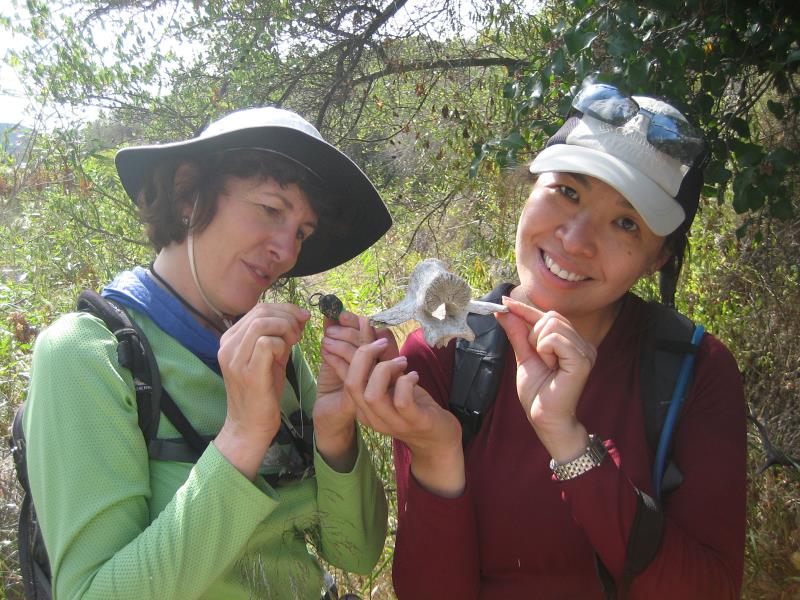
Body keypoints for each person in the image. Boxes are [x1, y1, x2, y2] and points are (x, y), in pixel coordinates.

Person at [332, 83, 746, 598]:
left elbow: (710, 588)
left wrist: (567, 440)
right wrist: (437, 451)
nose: (575, 240)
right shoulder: (441, 357)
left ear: (657, 258)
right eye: (568, 191)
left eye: (626, 223)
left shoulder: (694, 370)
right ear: (530, 188)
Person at [22, 106, 391, 599]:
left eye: (302, 233)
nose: (287, 252)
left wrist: (335, 432)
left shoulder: (277, 356)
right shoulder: (91, 355)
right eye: (271, 210)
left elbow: (358, 556)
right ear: (188, 193)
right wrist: (242, 437)